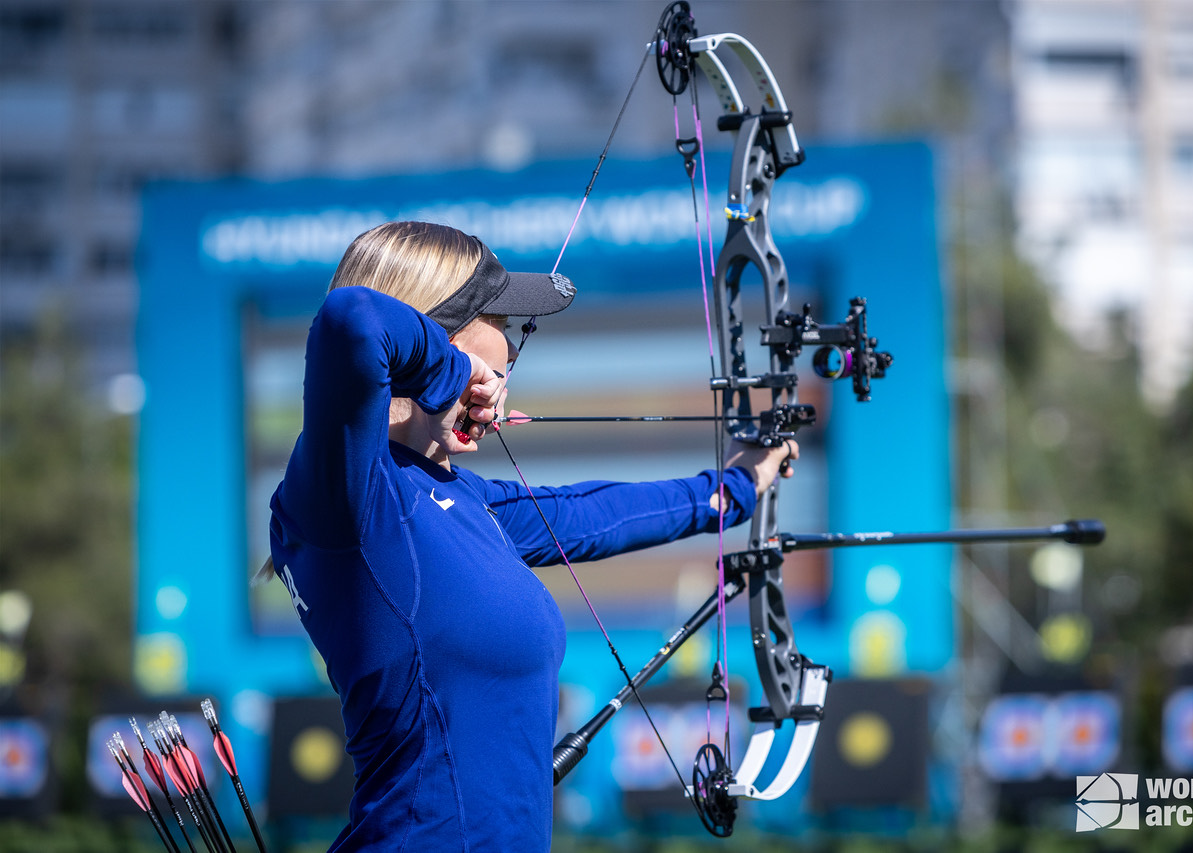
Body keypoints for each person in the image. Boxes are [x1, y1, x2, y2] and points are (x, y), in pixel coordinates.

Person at [267, 220, 798, 851]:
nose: (509, 365)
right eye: (503, 332)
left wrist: (736, 487)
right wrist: (451, 374)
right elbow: (350, 317)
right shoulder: (346, 497)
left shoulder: (459, 498)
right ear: (438, 327)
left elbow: (593, 516)